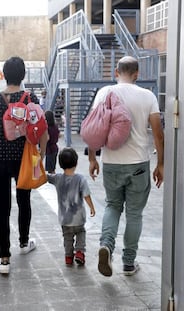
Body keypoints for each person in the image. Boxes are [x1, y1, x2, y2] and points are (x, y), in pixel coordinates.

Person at [88, 56, 164, 277]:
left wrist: (93, 158)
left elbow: (95, 128)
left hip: (111, 162)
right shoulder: (148, 96)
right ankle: (129, 263)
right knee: (134, 215)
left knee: (112, 206)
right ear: (137, 74)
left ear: (116, 72)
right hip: (138, 163)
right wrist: (161, 163)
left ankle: (106, 246)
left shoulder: (104, 93)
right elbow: (158, 134)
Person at [0, 56, 48, 274]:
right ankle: (24, 243)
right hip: (24, 160)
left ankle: (4, 259)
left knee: (2, 208)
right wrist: (41, 154)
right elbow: (41, 127)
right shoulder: (29, 97)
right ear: (23, 75)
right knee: (24, 201)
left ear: (4, 74)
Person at [47, 148, 95, 266]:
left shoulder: (57, 178)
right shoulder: (80, 179)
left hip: (65, 219)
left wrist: (36, 162)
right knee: (81, 233)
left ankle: (68, 257)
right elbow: (86, 195)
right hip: (78, 218)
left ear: (60, 164)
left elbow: (45, 176)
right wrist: (92, 207)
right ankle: (79, 252)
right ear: (76, 162)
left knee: (67, 237)